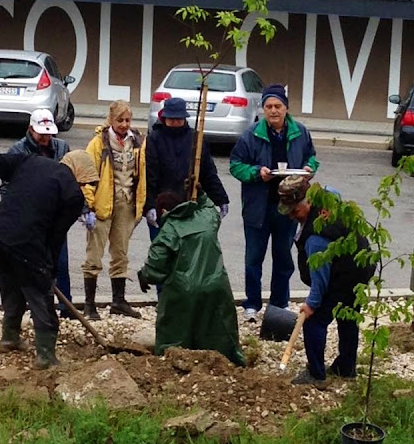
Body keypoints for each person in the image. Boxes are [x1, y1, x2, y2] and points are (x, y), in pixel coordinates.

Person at [0, 150, 99, 369]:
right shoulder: (73, 194)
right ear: (81, 173)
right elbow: (55, 239)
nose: (84, 187)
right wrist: (49, 272)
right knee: (40, 296)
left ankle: (9, 338)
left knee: (12, 285)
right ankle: (46, 357)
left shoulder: (30, 161)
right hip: (25, 244)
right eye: (86, 183)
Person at [229, 83, 319, 323]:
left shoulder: (300, 132)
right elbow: (235, 165)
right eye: (268, 106)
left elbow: (312, 157)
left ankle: (279, 304)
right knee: (253, 259)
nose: (273, 111)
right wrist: (257, 173)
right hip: (257, 207)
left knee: (283, 259)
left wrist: (308, 169)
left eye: (277, 106)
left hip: (288, 209)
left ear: (286, 108)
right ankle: (252, 305)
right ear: (263, 109)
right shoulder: (251, 134)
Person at [277, 175, 374, 385]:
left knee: (314, 322)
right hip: (362, 266)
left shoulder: (316, 238)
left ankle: (316, 375)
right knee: (348, 316)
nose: (292, 216)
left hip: (343, 276)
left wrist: (311, 305)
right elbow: (333, 191)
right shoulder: (328, 197)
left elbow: (320, 279)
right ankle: (346, 368)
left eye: (295, 211)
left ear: (308, 202)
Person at [138, 190, 245, 366]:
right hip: (216, 285)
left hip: (182, 290)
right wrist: (200, 192)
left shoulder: (170, 229)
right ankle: (226, 360)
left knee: (175, 332)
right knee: (217, 328)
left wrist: (144, 276)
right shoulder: (207, 218)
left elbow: (156, 264)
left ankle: (170, 363)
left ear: (163, 211)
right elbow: (209, 205)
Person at [0, 108, 74, 319]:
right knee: (32, 265)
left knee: (60, 262)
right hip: (29, 219)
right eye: (41, 133)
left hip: (55, 217)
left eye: (48, 133)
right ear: (30, 129)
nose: (45, 138)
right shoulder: (17, 151)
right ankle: (38, 308)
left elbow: (70, 179)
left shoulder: (62, 148)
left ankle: (66, 307)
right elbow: (6, 186)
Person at [82, 100, 146, 320]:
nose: (124, 124)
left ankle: (118, 301)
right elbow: (87, 175)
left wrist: (141, 205)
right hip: (102, 204)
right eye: (120, 120)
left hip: (126, 204)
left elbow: (143, 174)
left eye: (127, 120)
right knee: (94, 254)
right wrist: (88, 206)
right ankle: (89, 304)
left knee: (120, 253)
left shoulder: (137, 142)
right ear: (110, 119)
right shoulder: (98, 143)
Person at [145, 97, 229, 239]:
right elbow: (149, 176)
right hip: (162, 205)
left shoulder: (196, 138)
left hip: (188, 204)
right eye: (171, 119)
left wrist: (221, 199)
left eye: (179, 119)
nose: (175, 122)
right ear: (164, 118)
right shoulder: (154, 139)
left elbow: (208, 173)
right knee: (161, 248)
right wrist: (149, 206)